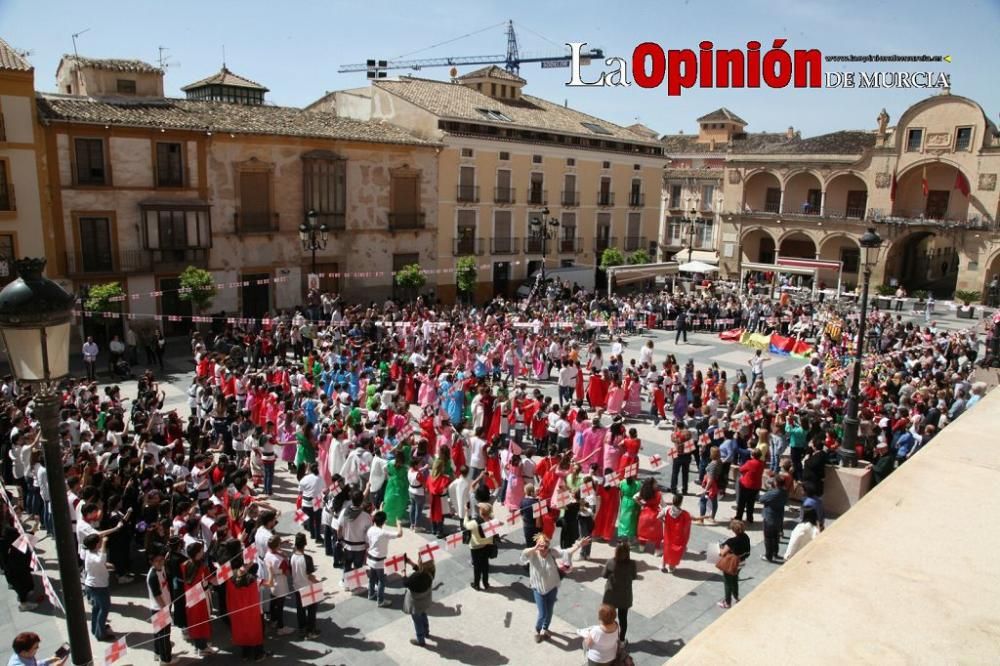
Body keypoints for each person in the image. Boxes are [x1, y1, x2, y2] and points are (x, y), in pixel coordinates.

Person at [521, 533, 590, 643]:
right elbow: (523, 554)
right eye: (541, 546)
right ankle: (538, 630)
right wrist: (535, 548)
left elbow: (567, 552)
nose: (543, 549)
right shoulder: (532, 554)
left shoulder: (551, 552)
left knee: (549, 611)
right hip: (538, 589)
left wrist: (579, 545)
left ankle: (546, 628)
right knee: (542, 613)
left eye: (546, 546)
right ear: (537, 545)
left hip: (552, 587)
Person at [227, 562, 268, 661]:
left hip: (239, 611)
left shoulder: (232, 577)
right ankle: (259, 654)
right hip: (253, 612)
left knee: (243, 631)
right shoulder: (254, 580)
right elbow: (270, 583)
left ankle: (245, 654)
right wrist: (270, 569)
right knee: (257, 631)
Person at [81, 533, 115, 641]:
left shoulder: (89, 553)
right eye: (99, 542)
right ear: (96, 545)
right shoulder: (94, 557)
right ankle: (101, 634)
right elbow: (100, 560)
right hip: (98, 586)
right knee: (104, 608)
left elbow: (100, 562)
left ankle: (95, 628)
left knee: (97, 608)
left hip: (92, 585)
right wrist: (104, 543)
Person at [145, 546, 175, 665]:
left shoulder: (161, 569)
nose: (160, 562)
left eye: (161, 560)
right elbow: (157, 596)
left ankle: (158, 653)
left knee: (158, 633)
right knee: (164, 636)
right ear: (151, 562)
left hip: (164, 604)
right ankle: (165, 659)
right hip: (159, 608)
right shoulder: (152, 576)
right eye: (157, 561)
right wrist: (165, 610)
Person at [601, 543, 637, 641]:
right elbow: (634, 577)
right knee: (623, 619)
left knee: (608, 617)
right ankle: (621, 640)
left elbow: (604, 575)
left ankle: (607, 637)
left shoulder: (610, 562)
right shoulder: (632, 563)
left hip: (611, 595)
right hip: (624, 596)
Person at [366, 510, 402, 607]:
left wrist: (381, 509)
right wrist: (398, 523)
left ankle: (371, 593)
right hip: (379, 561)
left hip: (370, 559)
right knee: (381, 580)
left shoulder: (370, 529)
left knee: (372, 578)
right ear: (384, 521)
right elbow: (399, 534)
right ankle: (380, 600)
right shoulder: (384, 533)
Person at [291, 533, 321, 639]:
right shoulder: (307, 558)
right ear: (305, 544)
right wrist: (318, 582)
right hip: (308, 587)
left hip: (297, 587)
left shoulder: (292, 556)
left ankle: (302, 629)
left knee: (300, 610)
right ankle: (311, 631)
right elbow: (310, 576)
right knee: (312, 610)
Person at [402, 554, 435, 648]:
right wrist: (411, 563)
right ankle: (426, 632)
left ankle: (420, 640)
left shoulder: (416, 576)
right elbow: (421, 571)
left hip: (415, 602)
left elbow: (405, 583)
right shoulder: (431, 571)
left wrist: (403, 573)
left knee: (417, 621)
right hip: (425, 599)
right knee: (424, 614)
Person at [717, 519, 751, 609]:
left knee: (728, 582)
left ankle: (727, 603)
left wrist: (719, 548)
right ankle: (736, 597)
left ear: (733, 530)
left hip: (732, 564)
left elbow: (722, 553)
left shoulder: (731, 541)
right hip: (741, 563)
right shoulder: (746, 537)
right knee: (735, 579)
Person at [465, 502, 495, 591]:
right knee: (485, 565)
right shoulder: (492, 520)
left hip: (476, 547)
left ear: (481, 512)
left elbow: (466, 524)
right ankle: (486, 583)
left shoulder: (474, 523)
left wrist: (466, 513)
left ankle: (476, 584)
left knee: (477, 567)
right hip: (487, 546)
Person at [758, 475, 788, 563]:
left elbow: (761, 499)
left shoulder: (773, 493)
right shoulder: (784, 492)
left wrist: (770, 490)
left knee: (768, 538)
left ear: (776, 483)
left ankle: (768, 556)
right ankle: (775, 553)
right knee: (776, 537)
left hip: (770, 518)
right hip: (779, 518)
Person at [660, 493, 692, 574]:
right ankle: (671, 567)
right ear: (681, 502)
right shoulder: (684, 514)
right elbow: (687, 524)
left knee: (666, 548)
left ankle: (662, 566)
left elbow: (658, 517)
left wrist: (665, 522)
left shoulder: (667, 509)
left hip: (668, 533)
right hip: (678, 535)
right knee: (675, 551)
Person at [735, 448, 765, 524]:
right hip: (756, 486)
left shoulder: (749, 463)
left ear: (752, 455)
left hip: (746, 485)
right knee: (751, 503)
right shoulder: (762, 463)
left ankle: (738, 517)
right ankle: (749, 518)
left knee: (742, 502)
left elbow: (741, 469)